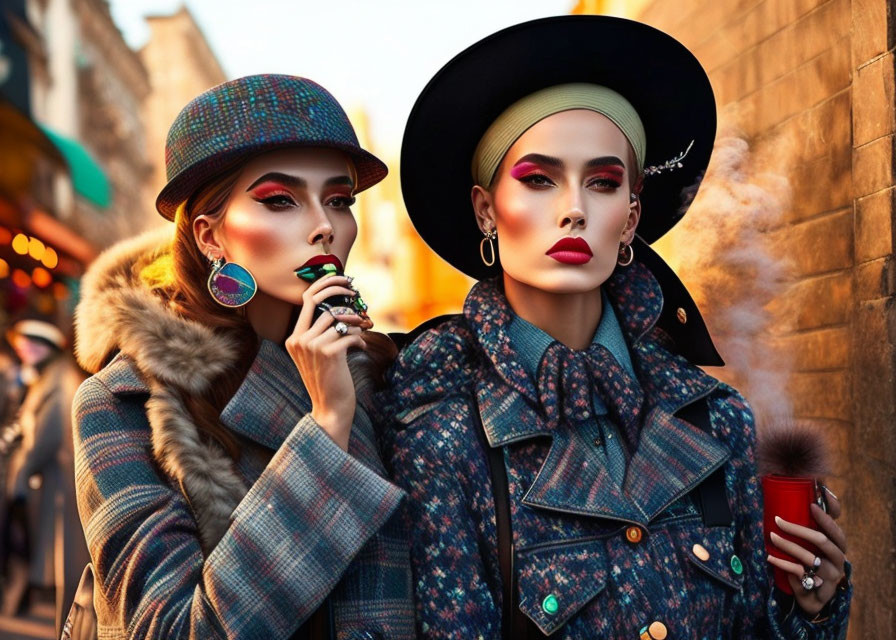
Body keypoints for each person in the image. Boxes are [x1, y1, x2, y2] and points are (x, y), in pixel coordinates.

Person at [380, 16, 851, 639]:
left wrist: (810, 611)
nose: (574, 208)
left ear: (630, 219)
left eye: (602, 183)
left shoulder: (721, 419)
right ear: (486, 210)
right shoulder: (442, 434)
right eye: (539, 179)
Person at [70, 74, 413, 639]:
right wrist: (326, 427)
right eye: (280, 200)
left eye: (338, 200)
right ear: (211, 236)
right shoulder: (126, 402)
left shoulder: (393, 375)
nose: (325, 226)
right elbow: (169, 629)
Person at [0, 317, 87, 633]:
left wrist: (22, 472)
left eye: (35, 346)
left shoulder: (57, 384)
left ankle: (67, 626)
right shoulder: (48, 378)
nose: (26, 351)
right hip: (54, 482)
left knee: (67, 561)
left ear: (49, 350)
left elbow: (45, 439)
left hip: (59, 484)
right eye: (24, 345)